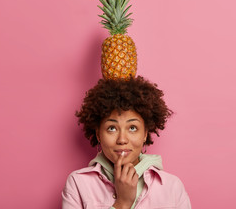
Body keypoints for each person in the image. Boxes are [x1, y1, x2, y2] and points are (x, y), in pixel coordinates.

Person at [62, 76, 191, 208]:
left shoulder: (172, 187)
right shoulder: (78, 184)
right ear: (98, 134)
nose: (122, 140)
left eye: (132, 128)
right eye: (112, 128)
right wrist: (122, 203)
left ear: (145, 134)